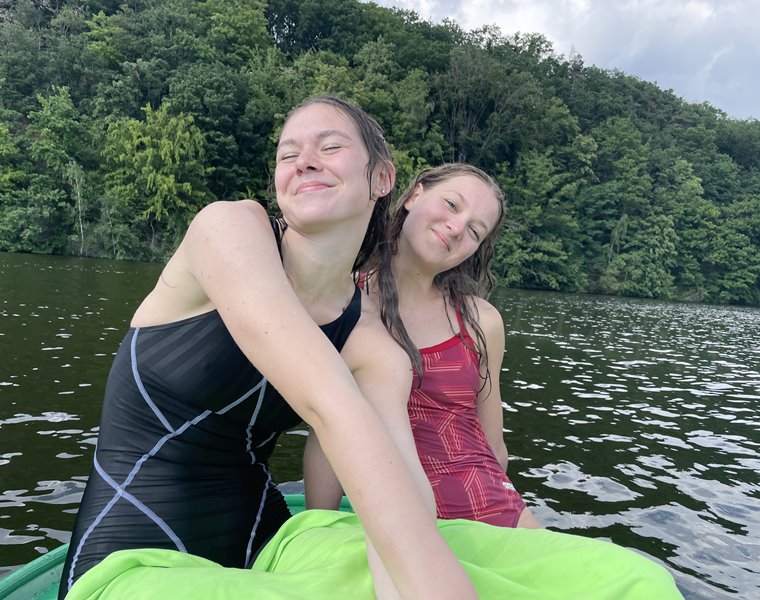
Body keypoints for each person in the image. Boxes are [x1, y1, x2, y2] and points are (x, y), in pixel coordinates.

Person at [58, 96, 476, 600]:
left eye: (330, 147)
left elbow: (401, 480)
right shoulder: (228, 229)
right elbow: (329, 404)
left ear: (382, 178)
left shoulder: (370, 337)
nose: (304, 161)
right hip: (129, 557)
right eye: (288, 154)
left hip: (267, 543)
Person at [304, 164, 541, 529]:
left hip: (494, 511)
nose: (457, 228)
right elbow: (326, 430)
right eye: (452, 204)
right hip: (400, 520)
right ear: (415, 195)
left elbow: (493, 446)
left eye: (475, 231)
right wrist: (320, 529)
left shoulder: (481, 321)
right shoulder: (341, 303)